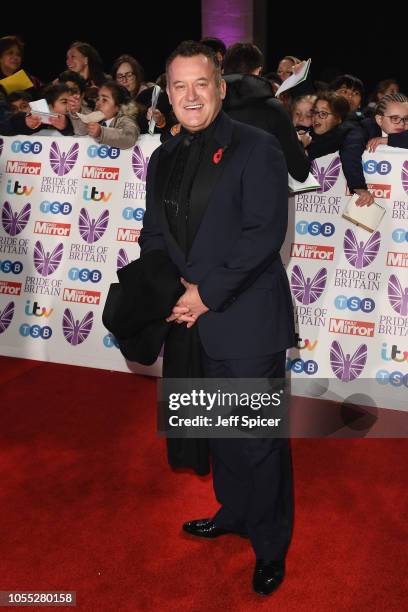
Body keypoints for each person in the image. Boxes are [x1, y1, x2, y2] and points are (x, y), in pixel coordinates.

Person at [139, 40, 295, 597]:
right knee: (218, 431)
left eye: (200, 83)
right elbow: (153, 235)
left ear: (220, 88)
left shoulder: (257, 147)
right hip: (191, 321)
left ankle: (271, 547)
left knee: (257, 440)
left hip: (245, 318)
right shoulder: (162, 156)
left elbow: (262, 234)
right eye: (178, 85)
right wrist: (169, 295)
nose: (190, 95)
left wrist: (205, 294)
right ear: (167, 94)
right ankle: (233, 512)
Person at [222, 42, 310, 181]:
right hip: (260, 197)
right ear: (258, 71)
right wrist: (299, 143)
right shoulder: (273, 109)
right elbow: (300, 171)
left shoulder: (205, 108)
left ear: (223, 69)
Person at [70, 80, 139, 149]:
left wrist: (101, 132)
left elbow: (128, 138)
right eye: (98, 99)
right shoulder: (97, 120)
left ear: (119, 106)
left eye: (104, 100)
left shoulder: (126, 120)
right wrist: (76, 111)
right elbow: (81, 132)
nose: (98, 103)